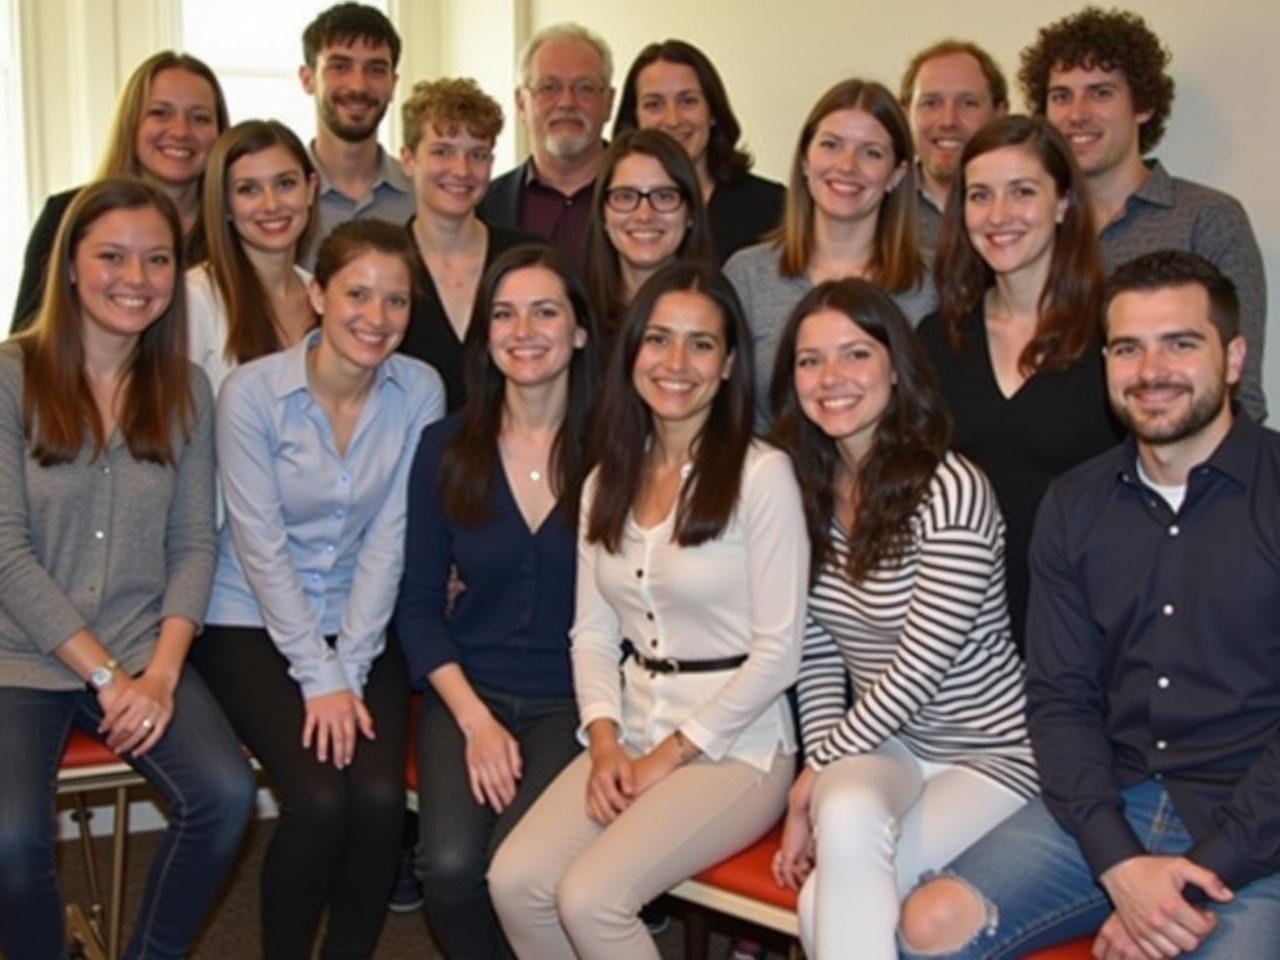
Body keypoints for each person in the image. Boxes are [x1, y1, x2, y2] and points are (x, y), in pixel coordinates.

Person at [900, 251, 1280, 959]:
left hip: (1259, 830)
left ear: (1232, 358)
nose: (1151, 370)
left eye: (1181, 343)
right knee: (928, 925)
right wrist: (1118, 865)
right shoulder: (1074, 504)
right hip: (1110, 802)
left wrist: (1177, 891)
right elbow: (1060, 698)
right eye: (1128, 348)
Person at [488, 261, 808, 958]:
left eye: (701, 344)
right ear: (631, 351)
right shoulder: (608, 476)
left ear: (728, 367)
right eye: (658, 339)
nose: (676, 362)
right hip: (629, 729)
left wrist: (669, 754)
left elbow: (780, 652)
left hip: (739, 746)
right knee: (514, 881)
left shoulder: (762, 475)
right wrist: (603, 741)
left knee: (592, 900)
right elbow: (593, 636)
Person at [0, 178, 254, 960]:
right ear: (70, 265)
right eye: (111, 256)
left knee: (225, 796)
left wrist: (162, 674)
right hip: (23, 654)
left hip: (145, 645)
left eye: (155, 260)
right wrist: (108, 678)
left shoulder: (186, 390)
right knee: (11, 839)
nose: (135, 279)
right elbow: (6, 552)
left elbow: (193, 546)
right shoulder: (10, 376)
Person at [189, 219, 445, 959]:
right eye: (357, 293)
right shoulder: (250, 393)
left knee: (376, 801)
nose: (376, 317)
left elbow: (391, 539)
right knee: (320, 799)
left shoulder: (418, 390)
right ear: (317, 296)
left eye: (395, 301)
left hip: (361, 620)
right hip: (247, 619)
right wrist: (318, 673)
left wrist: (351, 667)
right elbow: (259, 546)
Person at [766, 278, 1035, 959]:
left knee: (817, 902)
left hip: (991, 753)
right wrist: (822, 785)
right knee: (847, 810)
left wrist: (809, 777)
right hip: (890, 744)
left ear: (895, 368)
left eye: (854, 354)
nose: (831, 378)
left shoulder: (952, 488)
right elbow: (822, 653)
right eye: (809, 360)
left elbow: (921, 664)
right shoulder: (807, 490)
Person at [396, 244, 599, 959]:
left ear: (579, 330)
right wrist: (476, 722)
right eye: (504, 314)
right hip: (469, 691)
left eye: (546, 311)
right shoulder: (444, 446)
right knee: (447, 871)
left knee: (519, 868)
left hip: (575, 704)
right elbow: (417, 605)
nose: (524, 330)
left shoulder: (619, 448)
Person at [917, 115, 1122, 652]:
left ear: (1063, 203)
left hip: (1093, 631)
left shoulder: (1117, 331)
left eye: (1022, 192)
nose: (998, 215)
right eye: (980, 195)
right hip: (966, 644)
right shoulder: (938, 339)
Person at [1020, 6, 1268, 422]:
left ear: (1143, 106)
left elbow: (1242, 391)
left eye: (1101, 92)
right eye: (1061, 95)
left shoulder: (1207, 218)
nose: (1077, 113)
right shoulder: (1028, 228)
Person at [725, 78, 937, 429]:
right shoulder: (747, 276)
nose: (846, 165)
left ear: (897, 174)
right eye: (831, 145)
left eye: (871, 152)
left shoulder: (932, 284)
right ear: (805, 160)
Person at [12, 51, 229, 331]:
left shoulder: (236, 230)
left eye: (200, 118)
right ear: (132, 123)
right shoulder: (66, 215)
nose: (180, 130)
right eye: (160, 113)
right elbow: (30, 340)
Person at [398, 77, 540, 411]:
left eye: (477, 154)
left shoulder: (529, 260)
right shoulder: (384, 265)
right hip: (407, 457)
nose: (461, 170)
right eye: (442, 152)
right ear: (407, 160)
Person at [613, 39, 785, 264]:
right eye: (654, 104)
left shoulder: (771, 207)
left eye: (688, 101)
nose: (672, 120)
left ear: (712, 111)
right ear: (634, 117)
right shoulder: (613, 210)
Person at [188, 119, 319, 395]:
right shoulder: (195, 297)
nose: (271, 204)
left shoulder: (323, 294)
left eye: (285, 184)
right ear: (224, 204)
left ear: (310, 188)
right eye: (248, 189)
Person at [478, 23, 615, 266]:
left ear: (609, 103)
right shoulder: (484, 206)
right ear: (521, 104)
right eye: (548, 87)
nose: (566, 102)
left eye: (585, 87)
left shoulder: (647, 200)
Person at [299, 1, 413, 266]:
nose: (358, 85)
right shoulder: (279, 201)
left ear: (393, 84)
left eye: (375, 70)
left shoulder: (422, 197)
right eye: (340, 67)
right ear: (308, 79)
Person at [584, 129, 714, 341]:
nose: (644, 215)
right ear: (602, 214)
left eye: (664, 196)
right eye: (625, 197)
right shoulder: (574, 317)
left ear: (691, 213)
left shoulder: (718, 313)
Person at [899, 40, 1008, 256]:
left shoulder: (1026, 213)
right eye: (931, 103)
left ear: (1000, 114)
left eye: (968, 103)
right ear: (905, 115)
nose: (948, 121)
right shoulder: (877, 207)